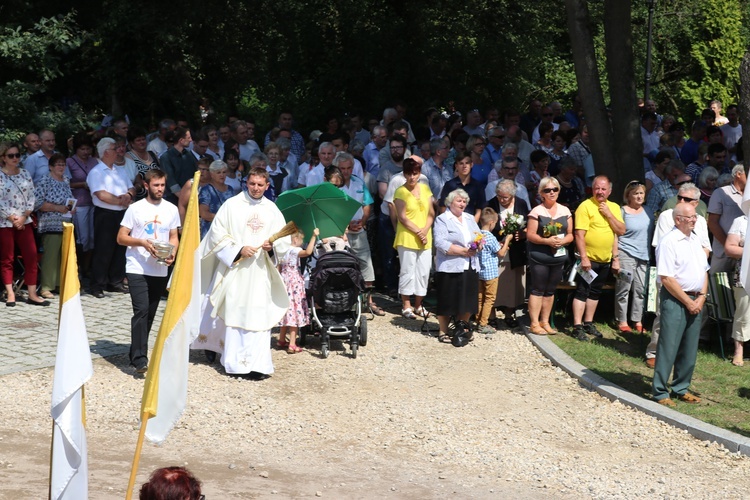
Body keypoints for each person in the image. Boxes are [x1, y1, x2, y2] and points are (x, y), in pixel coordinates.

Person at [193, 167, 290, 377]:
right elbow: (217, 234)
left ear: (267, 185)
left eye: (260, 185)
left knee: (259, 314)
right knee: (236, 312)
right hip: (236, 270)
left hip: (260, 271)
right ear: (247, 182)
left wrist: (271, 247)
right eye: (252, 183)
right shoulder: (232, 205)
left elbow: (283, 240)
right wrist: (238, 249)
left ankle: (258, 365)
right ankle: (236, 365)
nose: (255, 188)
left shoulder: (272, 210)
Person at [117, 169, 179, 373]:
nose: (160, 189)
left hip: (159, 268)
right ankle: (139, 359)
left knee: (150, 313)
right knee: (141, 310)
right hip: (137, 266)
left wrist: (172, 253)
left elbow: (173, 236)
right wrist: (142, 242)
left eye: (162, 185)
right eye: (156, 185)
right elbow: (121, 237)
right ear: (146, 185)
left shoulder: (171, 209)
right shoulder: (135, 209)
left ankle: (137, 350)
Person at [644, 183, 711, 368]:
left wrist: (696, 261)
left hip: (693, 276)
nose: (680, 201)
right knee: (663, 315)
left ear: (696, 203)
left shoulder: (701, 221)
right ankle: (654, 351)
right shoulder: (668, 216)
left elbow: (706, 247)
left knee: (691, 318)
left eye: (687, 199)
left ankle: (679, 355)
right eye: (679, 197)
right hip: (671, 274)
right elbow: (661, 246)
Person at [652, 203, 708, 406]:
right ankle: (660, 391)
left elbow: (704, 270)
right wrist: (687, 301)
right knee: (669, 345)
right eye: (691, 217)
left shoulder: (695, 239)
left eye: (695, 217)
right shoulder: (668, 242)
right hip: (676, 299)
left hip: (696, 298)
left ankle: (681, 387)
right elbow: (666, 277)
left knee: (689, 346)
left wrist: (701, 296)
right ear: (678, 220)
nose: (695, 220)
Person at [572, 175, 625, 341]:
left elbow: (620, 231)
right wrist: (584, 258)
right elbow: (579, 235)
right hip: (588, 259)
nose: (600, 191)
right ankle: (577, 326)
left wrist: (608, 214)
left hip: (605, 259)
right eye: (597, 188)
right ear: (592, 189)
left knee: (595, 292)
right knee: (582, 291)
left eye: (603, 189)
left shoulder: (614, 207)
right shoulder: (585, 206)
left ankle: (588, 322)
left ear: (609, 191)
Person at [0, 142, 49, 307]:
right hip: (5, 223)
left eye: (17, 155)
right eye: (11, 156)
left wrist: (23, 216)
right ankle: (11, 293)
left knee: (31, 255)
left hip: (25, 221)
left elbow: (31, 197)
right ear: (3, 158)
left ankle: (32, 294)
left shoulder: (25, 174)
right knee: (7, 258)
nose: (15, 158)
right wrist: (12, 218)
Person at [87, 137, 136, 298]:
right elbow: (101, 194)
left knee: (121, 248)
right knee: (103, 249)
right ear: (106, 152)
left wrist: (128, 195)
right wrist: (121, 201)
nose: (118, 151)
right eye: (115, 149)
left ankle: (115, 280)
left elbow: (132, 187)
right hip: (105, 214)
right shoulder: (96, 172)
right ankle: (97, 284)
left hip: (122, 213)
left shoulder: (120, 170)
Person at [525, 177, 574, 335]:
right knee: (538, 289)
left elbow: (570, 235)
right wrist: (547, 241)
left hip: (558, 256)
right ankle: (534, 323)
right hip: (540, 255)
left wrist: (563, 241)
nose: (551, 192)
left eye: (555, 189)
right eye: (547, 190)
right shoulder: (536, 212)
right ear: (541, 193)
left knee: (550, 290)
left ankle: (545, 321)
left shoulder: (565, 211)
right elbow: (530, 235)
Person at [433, 189, 482, 344]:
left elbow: (479, 235)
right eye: (459, 201)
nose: (462, 204)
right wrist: (462, 251)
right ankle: (443, 331)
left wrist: (479, 244)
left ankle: (462, 327)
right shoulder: (442, 219)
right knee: (448, 299)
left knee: (468, 299)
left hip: (470, 265)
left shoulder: (469, 218)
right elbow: (440, 242)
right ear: (450, 202)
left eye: (464, 201)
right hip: (450, 265)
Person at [393, 157, 435, 319]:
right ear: (404, 174)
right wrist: (419, 232)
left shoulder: (425, 188)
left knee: (424, 272)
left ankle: (419, 304)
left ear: (419, 174)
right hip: (407, 236)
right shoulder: (400, 191)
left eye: (415, 174)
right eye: (409, 174)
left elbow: (431, 212)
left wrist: (425, 231)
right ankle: (406, 305)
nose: (412, 177)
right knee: (407, 271)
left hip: (425, 236)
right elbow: (402, 217)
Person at [487, 179, 528, 327]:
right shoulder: (491, 204)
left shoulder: (521, 204)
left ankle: (509, 314)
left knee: (513, 285)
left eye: (505, 197)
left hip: (516, 251)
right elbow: (485, 227)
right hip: (496, 250)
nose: (502, 199)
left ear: (512, 196)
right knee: (493, 283)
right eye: (499, 196)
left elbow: (529, 225)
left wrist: (523, 234)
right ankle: (490, 315)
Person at [614, 181, 654, 333]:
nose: (639, 196)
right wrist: (616, 257)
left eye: (641, 193)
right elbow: (616, 234)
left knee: (640, 290)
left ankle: (637, 320)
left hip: (644, 256)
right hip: (626, 253)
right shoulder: (622, 211)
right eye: (635, 193)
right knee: (624, 288)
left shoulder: (648, 211)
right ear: (628, 196)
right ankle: (622, 320)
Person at [34, 153, 75, 299]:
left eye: (63, 164)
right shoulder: (45, 180)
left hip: (65, 223)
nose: (61, 167)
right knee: (50, 255)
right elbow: (37, 202)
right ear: (51, 166)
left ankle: (58, 284)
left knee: (62, 255)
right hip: (49, 223)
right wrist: (56, 208)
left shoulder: (66, 180)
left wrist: (72, 207)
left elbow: (68, 200)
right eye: (58, 164)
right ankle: (46, 287)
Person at [278, 228, 318, 354]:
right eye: (301, 240)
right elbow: (308, 252)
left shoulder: (282, 250)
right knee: (294, 312)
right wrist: (313, 236)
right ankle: (292, 344)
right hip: (294, 281)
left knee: (286, 310)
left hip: (284, 280)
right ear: (295, 239)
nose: (302, 243)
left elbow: (279, 267)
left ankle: (281, 339)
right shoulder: (295, 250)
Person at [476, 208, 513, 334]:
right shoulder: (491, 237)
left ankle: (478, 319)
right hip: (490, 273)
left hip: (479, 272)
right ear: (491, 222)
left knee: (480, 297)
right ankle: (483, 323)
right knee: (489, 298)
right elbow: (501, 254)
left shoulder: (477, 235)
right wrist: (507, 240)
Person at [66, 132, 98, 273]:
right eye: (82, 149)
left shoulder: (94, 161)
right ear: (76, 149)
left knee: (92, 237)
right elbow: (65, 183)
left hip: (94, 202)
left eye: (88, 149)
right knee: (83, 237)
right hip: (78, 203)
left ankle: (87, 268)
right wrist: (81, 184)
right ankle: (77, 268)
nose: (85, 152)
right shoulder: (69, 162)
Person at [724, 214, 749, 366]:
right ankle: (738, 351)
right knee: (743, 313)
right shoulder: (740, 221)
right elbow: (729, 248)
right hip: (746, 275)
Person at [438, 151, 485, 222]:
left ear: (471, 165)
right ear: (456, 166)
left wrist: (473, 225)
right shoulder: (449, 185)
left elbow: (479, 209)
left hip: (472, 223)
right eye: (461, 163)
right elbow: (443, 207)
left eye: (467, 163)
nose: (464, 166)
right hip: (453, 223)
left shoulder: (478, 186)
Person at [198, 160, 235, 239]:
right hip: (211, 232)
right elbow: (204, 214)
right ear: (212, 174)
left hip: (227, 232)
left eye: (224, 172)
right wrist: (224, 219)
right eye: (218, 172)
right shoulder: (206, 190)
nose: (222, 175)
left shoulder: (230, 190)